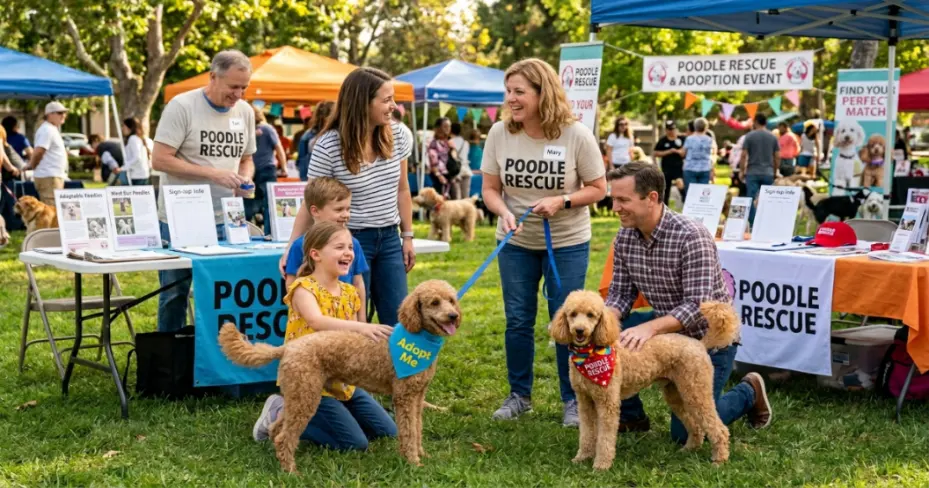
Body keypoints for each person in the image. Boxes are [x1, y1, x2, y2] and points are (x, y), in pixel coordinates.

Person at [603, 161, 772, 440]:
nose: (615, 207)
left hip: (709, 339)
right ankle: (631, 416)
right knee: (601, 333)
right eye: (613, 199)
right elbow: (620, 295)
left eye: (623, 200)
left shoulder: (691, 235)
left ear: (652, 198)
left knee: (687, 431)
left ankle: (749, 391)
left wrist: (650, 328)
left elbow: (697, 306)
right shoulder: (624, 238)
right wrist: (601, 324)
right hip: (666, 337)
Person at [481, 58, 606, 427]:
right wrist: (502, 211)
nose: (511, 99)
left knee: (570, 321)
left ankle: (573, 399)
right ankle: (519, 395)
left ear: (542, 93)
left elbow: (599, 189)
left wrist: (561, 201)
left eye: (519, 92)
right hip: (516, 242)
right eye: (508, 91)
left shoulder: (575, 134)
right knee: (518, 319)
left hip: (566, 242)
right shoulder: (500, 134)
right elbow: (490, 189)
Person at [252, 221, 397, 450]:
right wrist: (362, 327)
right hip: (310, 378)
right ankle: (281, 413)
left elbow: (355, 341)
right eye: (339, 247)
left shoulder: (350, 292)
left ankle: (336, 413)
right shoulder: (303, 288)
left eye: (350, 247)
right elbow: (316, 321)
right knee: (355, 444)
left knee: (387, 432)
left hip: (341, 379)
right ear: (315, 254)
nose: (348, 253)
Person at [293, 67, 415, 327]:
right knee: (352, 317)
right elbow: (311, 201)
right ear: (362, 102)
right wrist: (293, 247)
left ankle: (397, 368)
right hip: (346, 241)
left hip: (389, 239)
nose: (394, 106)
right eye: (386, 99)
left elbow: (402, 189)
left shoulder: (400, 135)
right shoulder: (329, 145)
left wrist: (407, 236)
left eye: (393, 98)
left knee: (398, 317)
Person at [151, 50, 257, 332]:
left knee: (228, 293)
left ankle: (221, 359)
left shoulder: (245, 112)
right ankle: (171, 362)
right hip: (181, 218)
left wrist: (244, 179)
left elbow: (247, 158)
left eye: (244, 87)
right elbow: (160, 159)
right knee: (175, 293)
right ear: (213, 77)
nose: (239, 94)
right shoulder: (182, 106)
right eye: (233, 87)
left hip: (228, 218)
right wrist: (214, 174)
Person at [284, 177, 368, 318]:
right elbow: (291, 283)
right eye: (339, 209)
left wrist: (362, 320)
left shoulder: (353, 244)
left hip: (345, 314)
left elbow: (358, 283)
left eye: (348, 209)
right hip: (312, 317)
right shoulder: (300, 245)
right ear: (315, 211)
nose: (346, 215)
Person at [248, 106, 285, 234]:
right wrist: (284, 168)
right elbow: (278, 148)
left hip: (250, 171)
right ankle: (270, 232)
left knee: (249, 202)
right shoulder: (268, 129)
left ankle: (247, 230)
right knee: (270, 204)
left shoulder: (247, 130)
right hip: (266, 169)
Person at [25, 102, 70, 205]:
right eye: (60, 113)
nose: (64, 115)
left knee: (53, 211)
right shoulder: (47, 130)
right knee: (52, 211)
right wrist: (32, 165)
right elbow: (39, 151)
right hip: (49, 177)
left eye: (64, 113)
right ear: (49, 114)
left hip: (52, 176)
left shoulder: (51, 129)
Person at [740, 113, 780, 225]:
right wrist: (776, 170)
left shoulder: (749, 136)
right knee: (768, 199)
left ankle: (753, 224)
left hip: (752, 172)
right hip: (768, 172)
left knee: (751, 199)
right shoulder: (772, 137)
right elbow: (777, 156)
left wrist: (741, 171)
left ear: (756, 122)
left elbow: (743, 155)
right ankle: (766, 223)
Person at [296, 101, 335, 182]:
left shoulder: (307, 135)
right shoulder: (335, 135)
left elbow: (300, 161)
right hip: (328, 182)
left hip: (310, 179)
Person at [653, 120, 685, 205]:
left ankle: (685, 202)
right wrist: (668, 151)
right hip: (666, 168)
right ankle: (665, 206)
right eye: (669, 129)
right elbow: (656, 153)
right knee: (666, 188)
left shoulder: (681, 139)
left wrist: (678, 151)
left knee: (680, 184)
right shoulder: (663, 140)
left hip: (679, 167)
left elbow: (685, 151)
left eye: (672, 129)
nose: (671, 131)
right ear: (666, 130)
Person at [681, 117, 713, 197]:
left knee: (691, 194)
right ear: (706, 127)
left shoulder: (689, 139)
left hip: (690, 168)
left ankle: (690, 209)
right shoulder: (709, 139)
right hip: (705, 168)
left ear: (695, 127)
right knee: (702, 194)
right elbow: (712, 154)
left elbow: (683, 153)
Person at [121, 118, 152, 186]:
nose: (122, 128)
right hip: (141, 174)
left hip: (137, 175)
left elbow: (137, 157)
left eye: (123, 126)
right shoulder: (139, 138)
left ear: (129, 127)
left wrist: (123, 168)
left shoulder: (133, 139)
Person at [428, 117, 452, 195]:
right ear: (438, 128)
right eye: (445, 126)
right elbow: (433, 162)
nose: (448, 129)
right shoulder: (434, 143)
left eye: (449, 126)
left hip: (448, 175)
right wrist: (439, 175)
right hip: (439, 176)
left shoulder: (447, 142)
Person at [449, 122, 472, 200]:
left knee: (457, 199)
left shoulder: (450, 142)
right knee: (466, 198)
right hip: (466, 170)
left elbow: (452, 156)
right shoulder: (466, 143)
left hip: (456, 171)